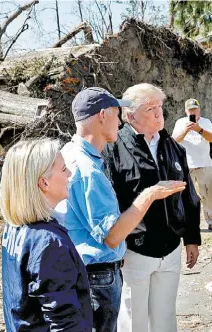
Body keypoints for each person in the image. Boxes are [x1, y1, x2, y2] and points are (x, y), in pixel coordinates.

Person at [56, 87, 186, 332]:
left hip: (95, 271)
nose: (121, 119)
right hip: (99, 274)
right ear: (103, 115)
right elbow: (113, 236)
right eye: (118, 113)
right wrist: (150, 194)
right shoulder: (88, 170)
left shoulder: (75, 156)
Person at [101, 83, 201, 332]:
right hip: (134, 250)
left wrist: (191, 238)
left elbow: (189, 195)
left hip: (170, 249)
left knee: (165, 319)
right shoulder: (113, 150)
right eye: (150, 109)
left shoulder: (173, 146)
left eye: (160, 107)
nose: (159, 114)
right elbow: (110, 201)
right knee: (133, 322)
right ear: (130, 115)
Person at [0, 139, 93, 331]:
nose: (69, 173)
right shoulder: (49, 243)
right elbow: (64, 322)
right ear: (44, 183)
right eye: (63, 169)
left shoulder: (14, 226)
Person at [172, 98, 212, 232]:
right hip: (186, 165)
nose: (193, 111)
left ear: (199, 109)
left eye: (195, 109)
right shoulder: (180, 122)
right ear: (185, 111)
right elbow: (174, 141)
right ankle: (186, 223)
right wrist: (186, 130)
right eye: (190, 109)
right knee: (185, 196)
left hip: (204, 163)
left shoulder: (205, 122)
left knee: (208, 194)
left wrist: (199, 129)